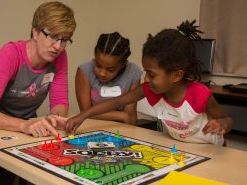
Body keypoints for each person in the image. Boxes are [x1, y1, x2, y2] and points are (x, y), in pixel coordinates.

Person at [0, 1, 76, 185]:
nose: (58, 46)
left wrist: (54, 117)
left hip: (24, 128)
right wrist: (24, 125)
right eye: (53, 37)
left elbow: (60, 102)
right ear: (35, 32)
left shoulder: (60, 57)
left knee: (47, 165)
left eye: (64, 39)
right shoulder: (10, 55)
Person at [66, 20, 233, 146]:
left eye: (151, 75)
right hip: (182, 149)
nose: (146, 79)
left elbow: (227, 119)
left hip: (211, 149)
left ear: (176, 75)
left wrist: (222, 124)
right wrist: (82, 116)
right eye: (146, 72)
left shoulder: (200, 94)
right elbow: (117, 101)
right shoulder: (150, 89)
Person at [75, 32, 142, 125]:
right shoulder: (85, 70)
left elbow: (130, 115)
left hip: (121, 129)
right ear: (95, 55)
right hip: (92, 126)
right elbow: (85, 112)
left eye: (110, 69)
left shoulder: (132, 72)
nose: (102, 73)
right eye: (98, 65)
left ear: (123, 64)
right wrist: (121, 116)